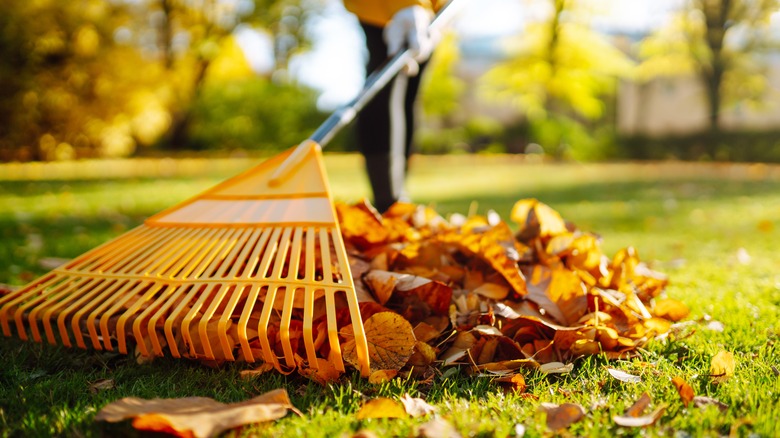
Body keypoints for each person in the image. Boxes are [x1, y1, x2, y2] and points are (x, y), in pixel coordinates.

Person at [342, 1, 446, 213]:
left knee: (411, 88)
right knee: (384, 84)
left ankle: (397, 201)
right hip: (383, 9)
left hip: (435, 9)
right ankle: (388, 201)